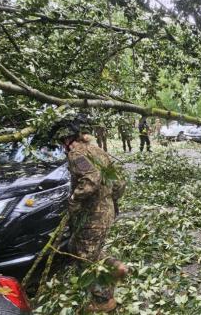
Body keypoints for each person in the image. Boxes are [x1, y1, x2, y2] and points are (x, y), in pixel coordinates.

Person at [52, 116, 128, 312]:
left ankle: (104, 301)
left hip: (93, 214)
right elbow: (118, 182)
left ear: (66, 140)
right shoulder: (96, 149)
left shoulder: (77, 154)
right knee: (80, 247)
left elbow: (91, 179)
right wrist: (113, 202)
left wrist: (74, 201)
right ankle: (115, 266)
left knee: (85, 258)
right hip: (106, 210)